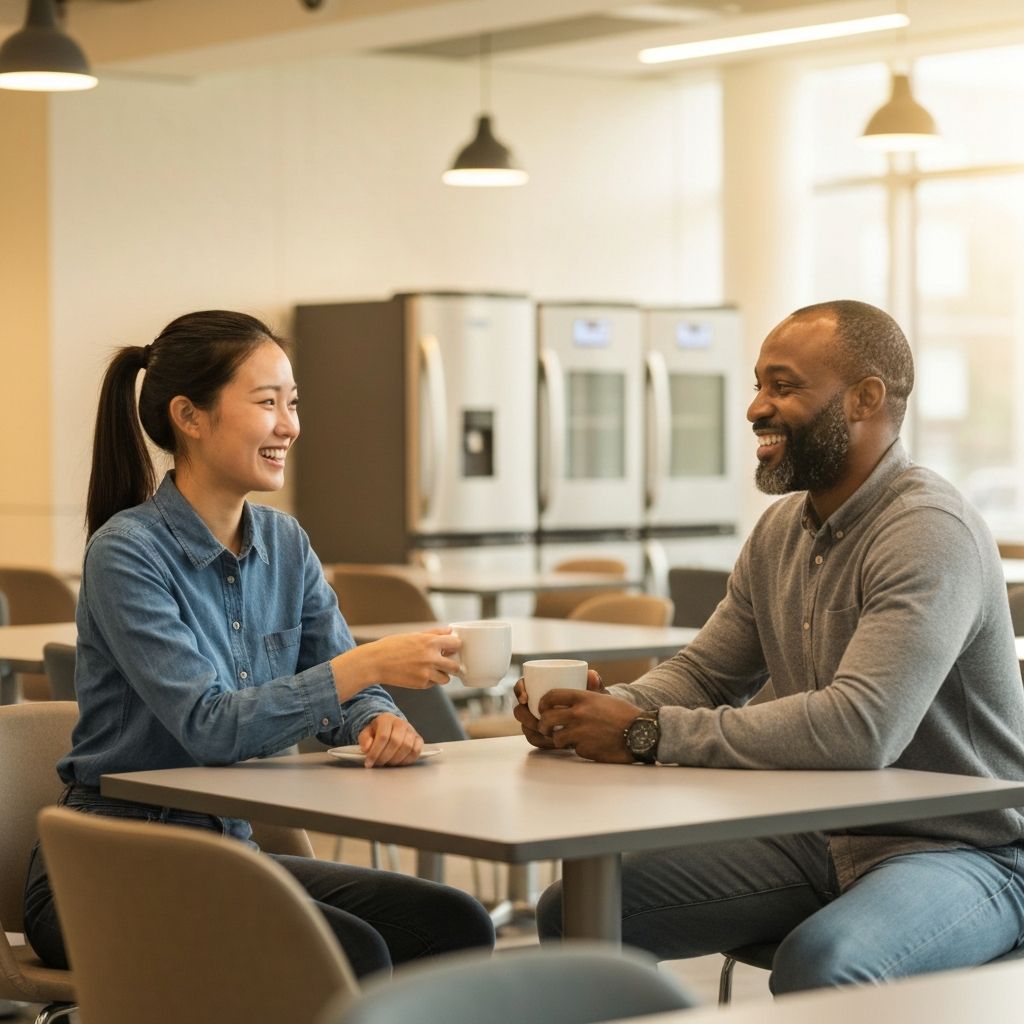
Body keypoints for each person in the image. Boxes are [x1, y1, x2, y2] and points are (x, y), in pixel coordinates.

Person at [518, 299, 1024, 992]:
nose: (756, 407)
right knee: (580, 916)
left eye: (783, 387)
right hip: (821, 838)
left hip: (964, 849)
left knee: (824, 965)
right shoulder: (782, 529)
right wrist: (589, 712)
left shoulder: (927, 530)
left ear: (864, 399)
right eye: (757, 384)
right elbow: (705, 674)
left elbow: (860, 729)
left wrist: (642, 732)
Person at [24, 310, 495, 978]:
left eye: (293, 403)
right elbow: (210, 728)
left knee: (452, 921)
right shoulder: (126, 553)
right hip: (106, 868)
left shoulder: (285, 542)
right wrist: (366, 664)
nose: (290, 426)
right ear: (190, 416)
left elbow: (339, 693)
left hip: (228, 850)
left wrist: (377, 716)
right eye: (267, 402)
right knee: (347, 951)